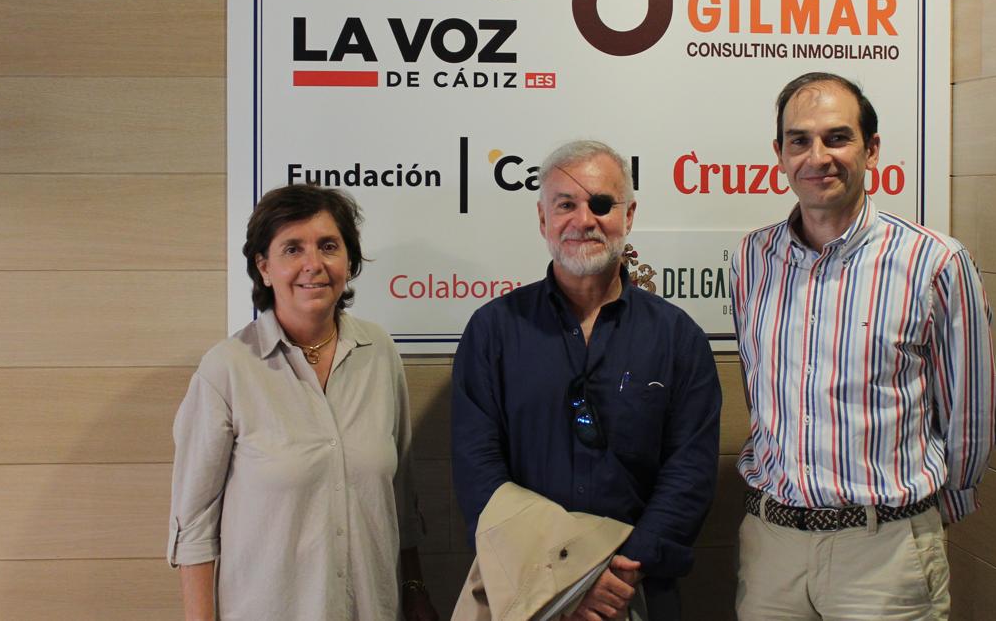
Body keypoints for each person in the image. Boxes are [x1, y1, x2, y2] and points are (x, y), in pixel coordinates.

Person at [729, 72, 996, 619]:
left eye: (837, 137)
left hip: (885, 554)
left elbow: (972, 416)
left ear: (871, 149)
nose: (817, 156)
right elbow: (757, 390)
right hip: (772, 550)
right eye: (799, 140)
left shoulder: (936, 262)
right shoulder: (750, 259)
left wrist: (926, 513)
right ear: (779, 153)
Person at [452, 140, 722, 620]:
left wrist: (616, 575)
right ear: (542, 219)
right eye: (565, 205)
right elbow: (479, 473)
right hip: (524, 590)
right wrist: (566, 581)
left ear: (629, 215)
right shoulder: (492, 332)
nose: (584, 219)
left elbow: (690, 473)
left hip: (633, 592)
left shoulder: (679, 338)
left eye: (601, 203)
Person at [167, 185, 438, 621]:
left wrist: (414, 588)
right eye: (292, 248)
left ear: (349, 262)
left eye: (328, 246)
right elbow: (194, 527)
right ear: (264, 267)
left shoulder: (380, 353)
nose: (313, 264)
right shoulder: (227, 370)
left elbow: (399, 498)